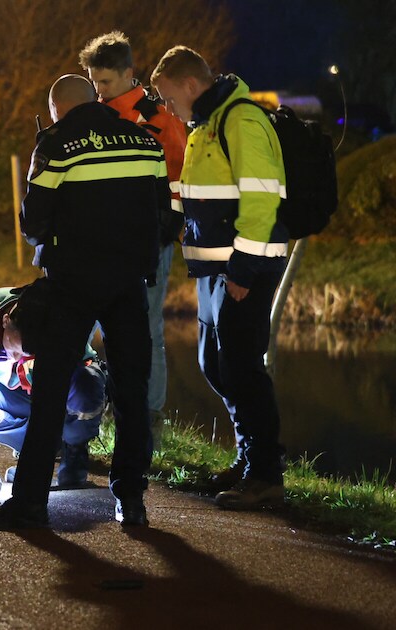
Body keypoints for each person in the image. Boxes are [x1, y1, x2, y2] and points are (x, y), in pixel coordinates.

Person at [0, 75, 167, 529]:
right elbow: (165, 214)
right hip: (130, 280)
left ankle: (30, 502)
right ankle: (132, 500)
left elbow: (33, 220)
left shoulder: (57, 143)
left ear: (56, 108)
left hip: (73, 281)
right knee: (132, 389)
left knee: (50, 388)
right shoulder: (144, 140)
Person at [151, 47, 287, 510]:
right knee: (215, 363)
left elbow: (262, 198)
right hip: (216, 268)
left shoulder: (240, 120)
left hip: (245, 267)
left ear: (191, 85)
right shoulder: (204, 125)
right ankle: (249, 458)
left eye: (169, 97)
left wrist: (245, 270)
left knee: (243, 368)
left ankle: (266, 473)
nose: (167, 108)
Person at [80, 32, 188, 430]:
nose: (99, 90)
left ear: (129, 74)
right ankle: (95, 410)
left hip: (147, 241)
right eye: (94, 82)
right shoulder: (94, 114)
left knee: (148, 327)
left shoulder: (159, 119)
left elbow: (178, 179)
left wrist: (163, 231)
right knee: (91, 324)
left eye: (105, 82)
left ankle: (150, 417)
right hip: (102, 241)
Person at [0, 287, 107, 488]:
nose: (17, 358)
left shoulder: (56, 320)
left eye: (27, 352)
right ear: (6, 321)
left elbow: (83, 370)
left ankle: (74, 446)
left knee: (85, 386)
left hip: (57, 393)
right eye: (13, 346)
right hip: (11, 393)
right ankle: (38, 448)